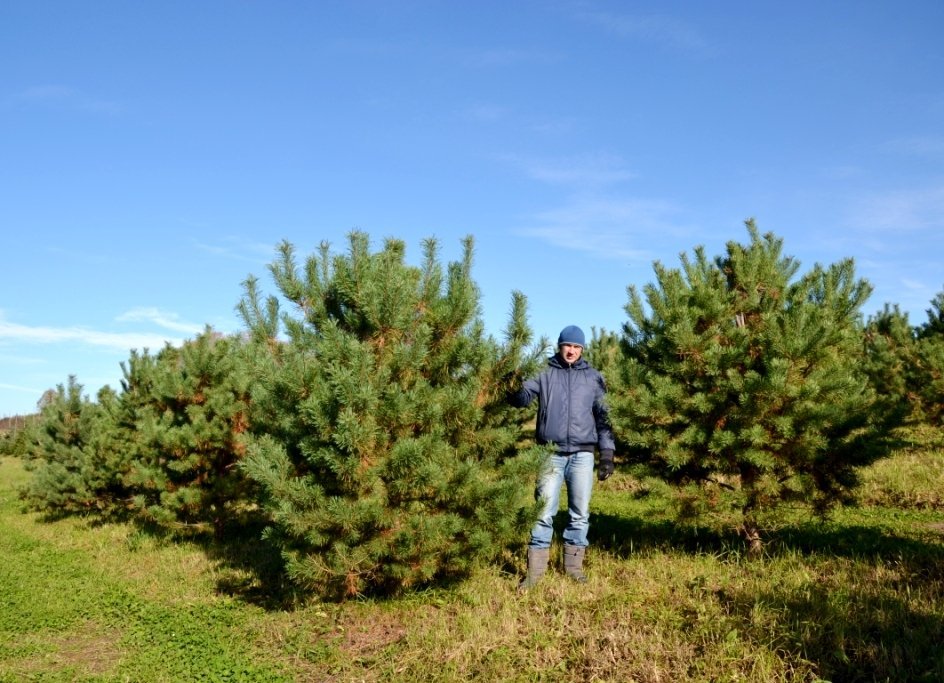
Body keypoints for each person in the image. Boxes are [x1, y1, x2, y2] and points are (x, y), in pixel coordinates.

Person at [510, 324, 615, 590]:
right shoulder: (544, 372)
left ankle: (573, 569)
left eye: (577, 347)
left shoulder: (593, 377)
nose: (572, 351)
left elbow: (604, 418)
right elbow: (523, 399)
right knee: (542, 512)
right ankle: (535, 573)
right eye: (568, 345)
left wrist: (607, 453)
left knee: (579, 514)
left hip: (582, 454)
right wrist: (511, 386)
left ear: (582, 349)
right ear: (560, 346)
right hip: (550, 453)